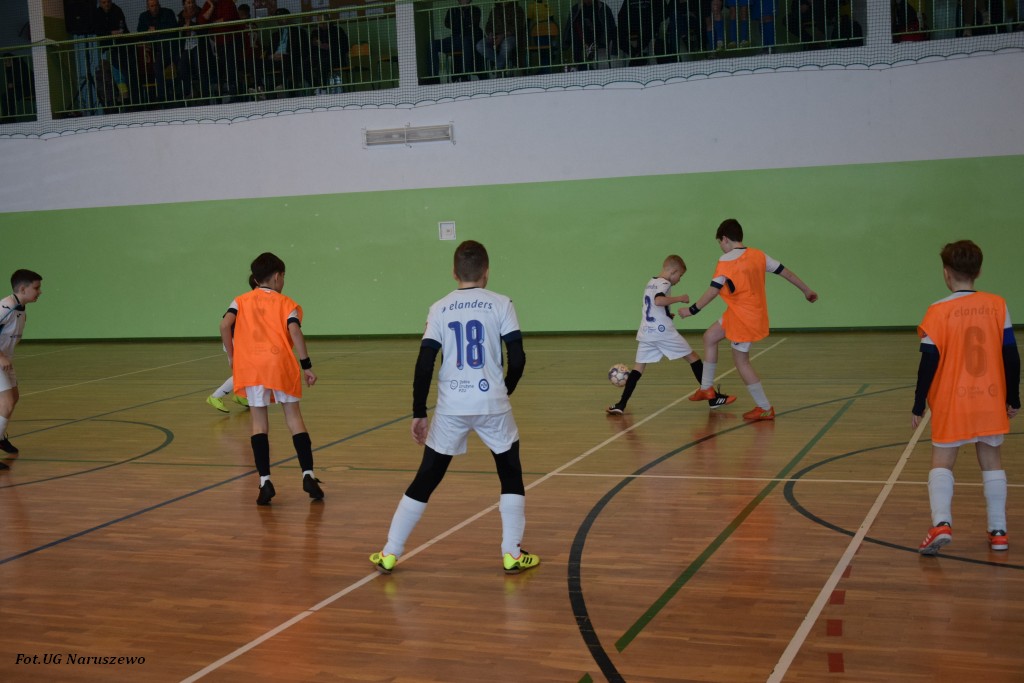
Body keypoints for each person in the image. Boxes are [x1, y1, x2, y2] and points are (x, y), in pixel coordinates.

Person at [369, 240, 538, 575]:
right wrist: (505, 389)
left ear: (453, 272)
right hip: (492, 403)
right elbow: (517, 358)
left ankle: (390, 552)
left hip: (451, 407)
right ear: (486, 272)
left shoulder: (439, 308)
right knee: (510, 473)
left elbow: (424, 363)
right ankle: (511, 553)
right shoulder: (502, 303)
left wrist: (419, 411)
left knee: (427, 477)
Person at [913, 240, 1020, 554]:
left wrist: (918, 403)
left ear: (946, 273)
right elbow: (1011, 356)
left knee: (942, 462)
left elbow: (928, 362)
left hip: (952, 401)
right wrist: (1013, 397)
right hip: (989, 399)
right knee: (992, 461)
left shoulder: (937, 310)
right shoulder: (997, 305)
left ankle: (941, 523)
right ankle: (998, 531)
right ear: (979, 271)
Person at [678, 218, 818, 421]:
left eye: (720, 243)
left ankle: (764, 407)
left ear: (725, 239)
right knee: (710, 337)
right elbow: (786, 273)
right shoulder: (759, 255)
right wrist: (806, 290)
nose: (721, 247)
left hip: (745, 318)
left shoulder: (725, 260)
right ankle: (706, 388)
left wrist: (692, 310)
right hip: (740, 313)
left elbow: (713, 291)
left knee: (741, 362)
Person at [220, 253, 322, 505]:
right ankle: (308, 475)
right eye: (283, 277)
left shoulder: (240, 300)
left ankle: (265, 481)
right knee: (294, 419)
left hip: (252, 367)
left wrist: (232, 356)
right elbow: (295, 331)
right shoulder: (287, 303)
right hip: (280, 364)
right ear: (277, 277)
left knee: (258, 425)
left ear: (255, 279)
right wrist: (307, 365)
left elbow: (224, 325)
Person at [607, 255, 735, 416]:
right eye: (680, 275)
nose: (679, 280)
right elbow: (658, 301)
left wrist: (667, 314)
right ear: (673, 271)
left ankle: (621, 404)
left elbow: (653, 306)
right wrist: (680, 298)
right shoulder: (665, 283)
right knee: (693, 358)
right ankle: (713, 398)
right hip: (663, 332)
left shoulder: (651, 281)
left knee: (638, 369)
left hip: (647, 332)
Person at [0, 270, 43, 468]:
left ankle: (0, 437)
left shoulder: (20, 309)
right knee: (6, 402)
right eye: (36, 288)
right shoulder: (6, 306)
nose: (40, 291)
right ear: (23, 288)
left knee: (14, 397)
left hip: (6, 360)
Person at [207, 275, 257, 413]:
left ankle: (241, 396)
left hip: (243, 343)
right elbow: (225, 325)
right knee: (244, 373)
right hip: (235, 342)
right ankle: (215, 397)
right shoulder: (244, 301)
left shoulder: (256, 301)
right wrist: (231, 356)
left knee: (250, 371)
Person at [429, 0, 483, 80]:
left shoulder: (475, 10)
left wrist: (460, 23)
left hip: (469, 40)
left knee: (465, 42)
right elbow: (447, 23)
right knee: (433, 44)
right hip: (455, 39)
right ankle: (433, 78)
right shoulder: (452, 10)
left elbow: (473, 23)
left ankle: (464, 75)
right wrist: (464, 23)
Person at [562, 0, 618, 69]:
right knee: (575, 29)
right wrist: (566, 44)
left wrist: (614, 47)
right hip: (582, 38)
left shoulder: (602, 7)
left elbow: (612, 27)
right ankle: (582, 63)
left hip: (599, 37)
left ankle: (590, 49)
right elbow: (569, 26)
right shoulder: (576, 8)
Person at [477, 0, 527, 74]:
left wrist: (503, 36)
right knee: (480, 45)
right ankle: (501, 64)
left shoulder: (517, 9)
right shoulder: (494, 10)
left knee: (506, 44)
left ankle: (499, 68)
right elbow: (488, 25)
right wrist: (490, 34)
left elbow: (517, 27)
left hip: (511, 36)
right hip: (495, 36)